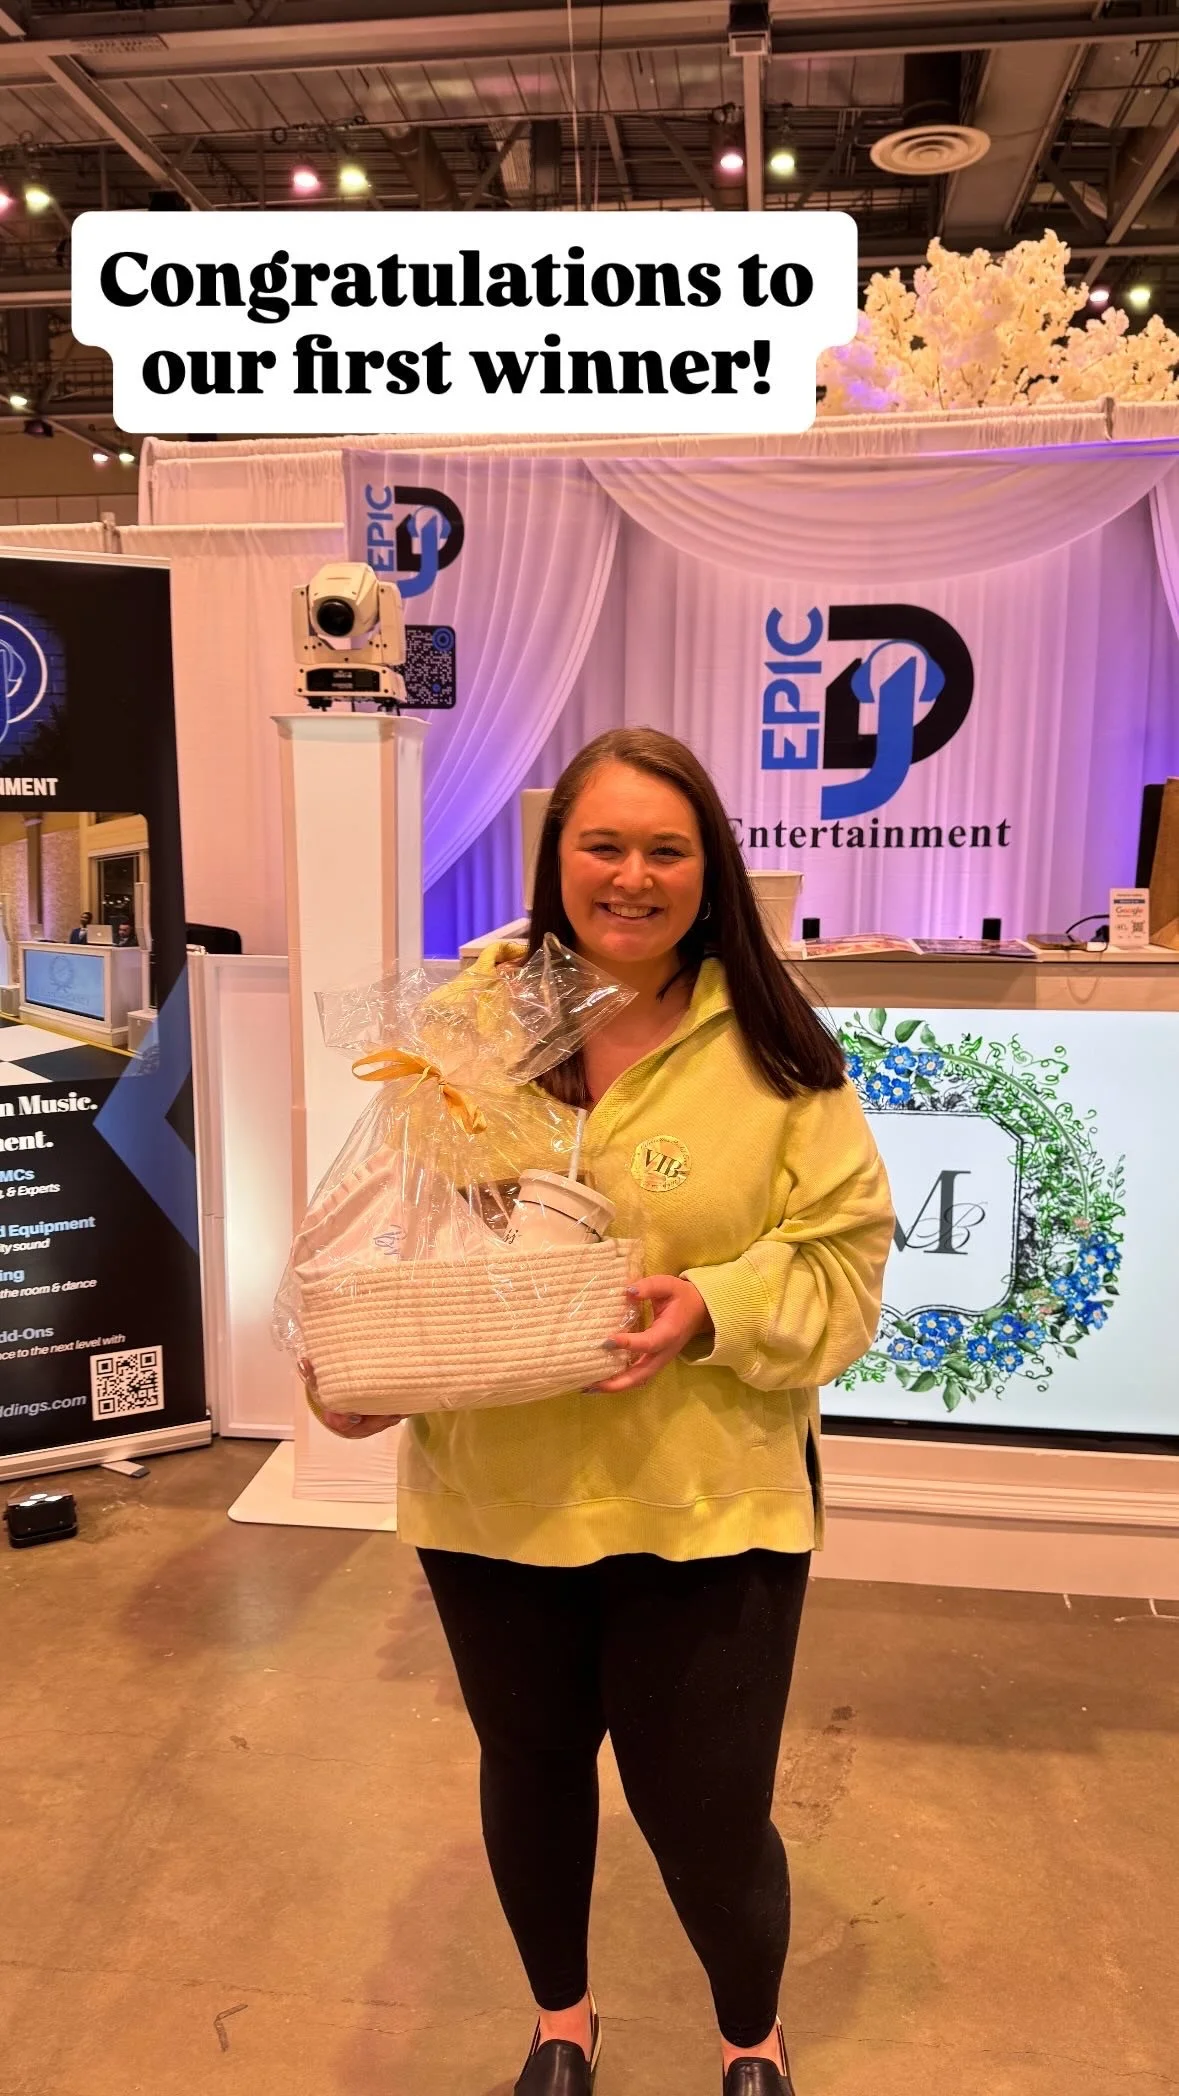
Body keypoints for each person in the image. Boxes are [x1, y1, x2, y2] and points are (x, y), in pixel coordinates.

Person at [317, 729, 894, 2096]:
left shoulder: (772, 1048)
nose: (630, 877)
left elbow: (845, 1261)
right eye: (602, 844)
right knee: (529, 1774)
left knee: (704, 1812)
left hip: (706, 1508)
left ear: (709, 871)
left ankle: (747, 2036)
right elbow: (384, 1227)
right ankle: (560, 2022)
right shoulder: (465, 1025)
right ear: (553, 857)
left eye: (664, 849)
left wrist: (710, 1305)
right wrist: (346, 1357)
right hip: (492, 1497)